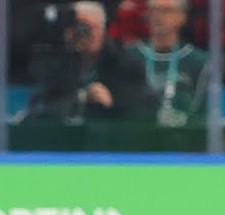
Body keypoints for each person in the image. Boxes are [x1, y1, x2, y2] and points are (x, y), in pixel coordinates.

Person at [23, 1, 153, 123]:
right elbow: (40, 104)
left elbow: (141, 108)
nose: (81, 34)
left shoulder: (126, 64)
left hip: (108, 137)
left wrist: (112, 102)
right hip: (63, 138)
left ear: (102, 31)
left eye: (86, 28)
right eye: (76, 27)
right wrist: (82, 98)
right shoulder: (55, 63)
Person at [128, 0, 209, 127]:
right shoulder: (128, 56)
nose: (158, 16)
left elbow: (204, 110)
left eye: (166, 11)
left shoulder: (199, 61)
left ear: (182, 17)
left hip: (183, 139)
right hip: (138, 136)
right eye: (153, 10)